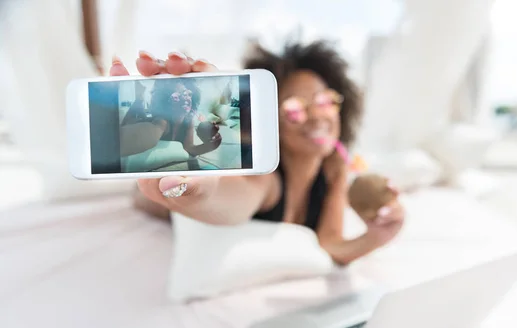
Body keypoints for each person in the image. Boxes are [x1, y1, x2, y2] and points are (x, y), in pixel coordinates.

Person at [111, 43, 405, 265]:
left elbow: (330, 244)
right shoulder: (267, 180)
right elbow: (235, 196)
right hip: (163, 204)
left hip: (174, 191)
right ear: (270, 121)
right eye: (295, 108)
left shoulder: (333, 171)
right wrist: (202, 191)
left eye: (324, 102)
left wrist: (377, 237)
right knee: (145, 195)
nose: (317, 117)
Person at [118, 66, 223, 158]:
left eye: (189, 94)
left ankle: (140, 98)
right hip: (140, 121)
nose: (187, 98)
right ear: (167, 100)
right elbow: (125, 140)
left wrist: (210, 146)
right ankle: (140, 97)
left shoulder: (188, 122)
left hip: (146, 119)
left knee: (141, 112)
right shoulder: (162, 122)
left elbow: (189, 149)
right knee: (135, 113)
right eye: (181, 93)